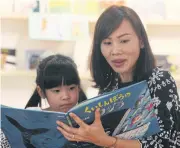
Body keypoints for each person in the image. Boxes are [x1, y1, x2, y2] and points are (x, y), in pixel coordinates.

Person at [56, 6, 180, 148]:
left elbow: (165, 143)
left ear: (141, 41)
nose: (115, 51)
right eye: (107, 43)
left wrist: (107, 142)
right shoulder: (109, 87)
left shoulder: (160, 81)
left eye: (124, 41)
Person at [1, 54, 87, 148]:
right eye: (56, 91)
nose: (66, 96)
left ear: (78, 88)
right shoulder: (29, 119)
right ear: (41, 92)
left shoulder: (91, 120)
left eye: (71, 88)